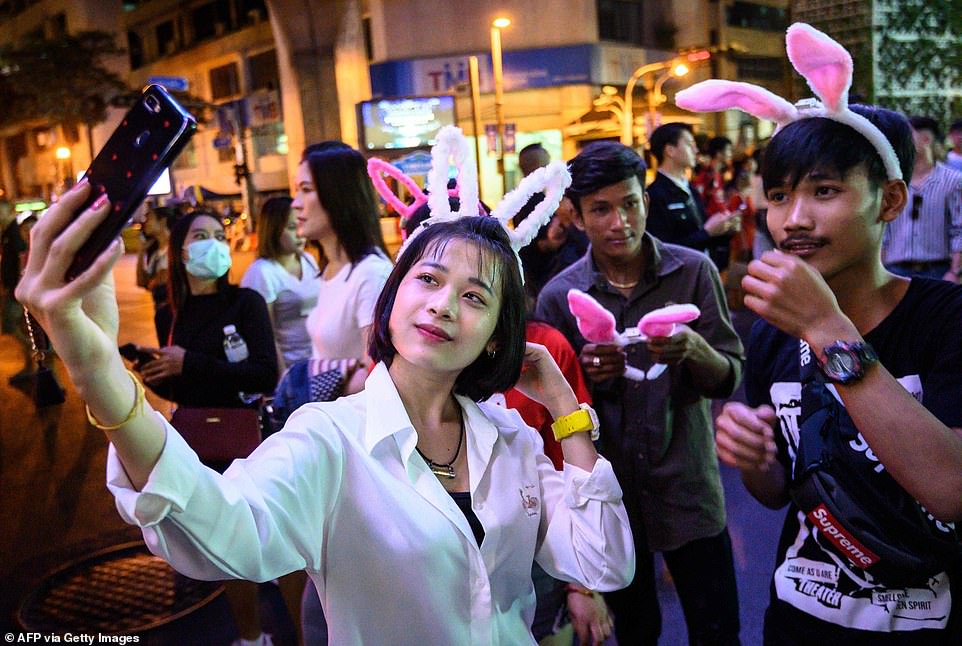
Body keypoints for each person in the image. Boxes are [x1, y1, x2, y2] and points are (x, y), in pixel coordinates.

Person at [15, 175, 635, 644]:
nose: (445, 305)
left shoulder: (509, 438)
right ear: (392, 299)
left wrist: (562, 403)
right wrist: (101, 379)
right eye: (428, 280)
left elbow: (602, 559)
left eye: (475, 296)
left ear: (498, 334)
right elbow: (220, 529)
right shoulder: (330, 440)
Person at [677, 21, 962, 643]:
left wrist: (825, 325)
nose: (794, 219)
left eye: (825, 191)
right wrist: (752, 458)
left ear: (888, 201)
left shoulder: (946, 319)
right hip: (798, 620)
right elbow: (782, 490)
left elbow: (952, 489)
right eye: (778, 197)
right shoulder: (775, 334)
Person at [536, 141, 745, 645]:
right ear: (578, 217)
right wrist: (586, 378)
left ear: (645, 202)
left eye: (629, 204)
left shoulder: (692, 271)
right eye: (600, 209)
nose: (619, 222)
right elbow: (550, 419)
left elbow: (730, 375)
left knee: (717, 630)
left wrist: (695, 349)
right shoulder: (560, 297)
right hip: (613, 499)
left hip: (689, 488)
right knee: (636, 633)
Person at [297, 145, 393, 395]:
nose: (296, 204)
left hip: (351, 424)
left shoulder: (371, 274)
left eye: (306, 190)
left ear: (338, 196)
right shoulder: (331, 267)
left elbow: (376, 371)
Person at [646, 123, 740, 269]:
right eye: (690, 144)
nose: (696, 150)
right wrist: (707, 232)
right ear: (670, 150)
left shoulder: (690, 188)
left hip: (704, 269)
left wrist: (726, 229)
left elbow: (702, 233)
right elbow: (662, 250)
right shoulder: (655, 195)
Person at [241, 196, 319, 371]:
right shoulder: (262, 272)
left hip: (320, 364)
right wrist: (282, 376)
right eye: (292, 227)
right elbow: (264, 334)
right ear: (274, 230)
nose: (300, 233)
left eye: (301, 223)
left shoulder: (308, 260)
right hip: (291, 367)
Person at [881, 116, 962, 283]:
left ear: (926, 139)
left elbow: (959, 228)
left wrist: (955, 272)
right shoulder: (891, 182)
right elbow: (882, 230)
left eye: (908, 135)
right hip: (894, 271)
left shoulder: (953, 180)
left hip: (938, 271)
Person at [1, 198, 33, 382]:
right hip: (14, 290)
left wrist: (14, 289)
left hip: (15, 292)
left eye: (1, 212)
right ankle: (30, 364)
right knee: (17, 327)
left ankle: (39, 353)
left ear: (9, 212)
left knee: (11, 327)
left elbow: (20, 262)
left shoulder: (14, 232)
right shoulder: (8, 231)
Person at [135, 205, 175, 344]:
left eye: (149, 217)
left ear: (162, 221)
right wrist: (141, 253)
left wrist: (159, 277)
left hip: (176, 314)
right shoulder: (155, 254)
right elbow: (142, 282)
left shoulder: (176, 248)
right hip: (160, 314)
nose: (145, 222)